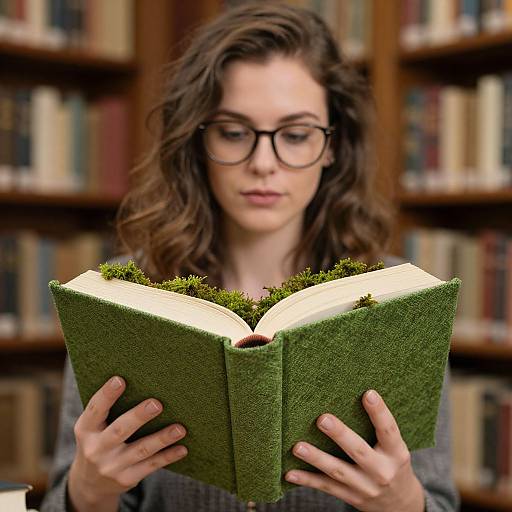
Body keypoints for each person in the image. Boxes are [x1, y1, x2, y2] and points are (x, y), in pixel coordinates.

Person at [41, 3, 458, 511]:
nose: (264, 164)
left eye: (297, 134)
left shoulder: (399, 299)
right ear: (198, 140)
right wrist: (89, 489)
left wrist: (402, 501)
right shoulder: (122, 298)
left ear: (332, 146)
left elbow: (438, 503)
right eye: (235, 132)